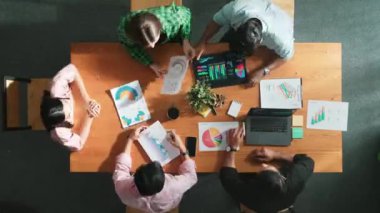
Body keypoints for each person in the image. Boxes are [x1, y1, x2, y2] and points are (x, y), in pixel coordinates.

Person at [195, 0, 294, 87]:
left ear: (260, 42)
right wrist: (202, 42)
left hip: (279, 20)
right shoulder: (236, 9)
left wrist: (264, 71)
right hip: (255, 7)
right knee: (223, 53)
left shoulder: (279, 39)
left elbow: (286, 56)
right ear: (237, 26)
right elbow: (216, 21)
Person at [220, 126, 314, 213]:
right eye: (268, 168)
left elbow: (227, 175)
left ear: (253, 183)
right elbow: (308, 160)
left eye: (262, 169)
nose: (264, 164)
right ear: (282, 178)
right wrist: (275, 155)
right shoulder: (295, 181)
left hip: (256, 206)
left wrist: (232, 147)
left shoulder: (247, 193)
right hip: (281, 205)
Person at [113, 127, 197, 213]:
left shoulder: (122, 188)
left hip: (136, 206)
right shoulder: (174, 186)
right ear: (164, 175)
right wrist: (182, 147)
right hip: (166, 207)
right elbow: (191, 176)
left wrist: (130, 139)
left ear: (135, 177)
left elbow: (121, 168)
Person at [118, 3, 196, 77]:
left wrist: (185, 41)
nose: (153, 46)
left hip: (173, 37)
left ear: (160, 28)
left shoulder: (174, 18)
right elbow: (131, 47)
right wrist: (151, 64)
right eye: (148, 45)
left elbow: (186, 13)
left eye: (154, 41)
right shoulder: (126, 30)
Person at [40, 64, 101, 151]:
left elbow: (73, 69)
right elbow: (79, 144)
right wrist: (90, 116)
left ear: (58, 98)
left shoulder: (57, 86)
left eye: (66, 103)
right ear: (60, 123)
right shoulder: (59, 132)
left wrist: (87, 99)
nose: (70, 109)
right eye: (68, 115)